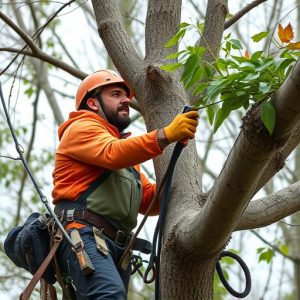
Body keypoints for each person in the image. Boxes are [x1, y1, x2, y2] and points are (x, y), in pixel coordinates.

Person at [52, 69, 199, 299]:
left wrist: (194, 187)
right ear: (93, 103)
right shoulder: (80, 129)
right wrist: (165, 135)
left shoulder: (125, 153)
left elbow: (148, 201)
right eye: (116, 94)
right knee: (108, 295)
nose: (126, 100)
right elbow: (112, 153)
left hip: (115, 249)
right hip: (84, 234)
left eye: (126, 96)